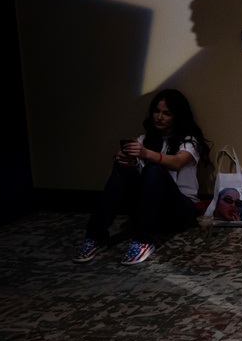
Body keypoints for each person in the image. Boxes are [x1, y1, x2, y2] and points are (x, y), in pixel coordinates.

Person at [72, 89, 209, 265]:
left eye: (166, 113)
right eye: (156, 111)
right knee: (122, 168)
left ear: (177, 116)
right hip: (147, 210)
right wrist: (121, 158)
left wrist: (146, 154)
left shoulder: (190, 141)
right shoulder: (145, 138)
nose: (159, 117)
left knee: (154, 170)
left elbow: (177, 162)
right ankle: (95, 237)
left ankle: (142, 241)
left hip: (178, 212)